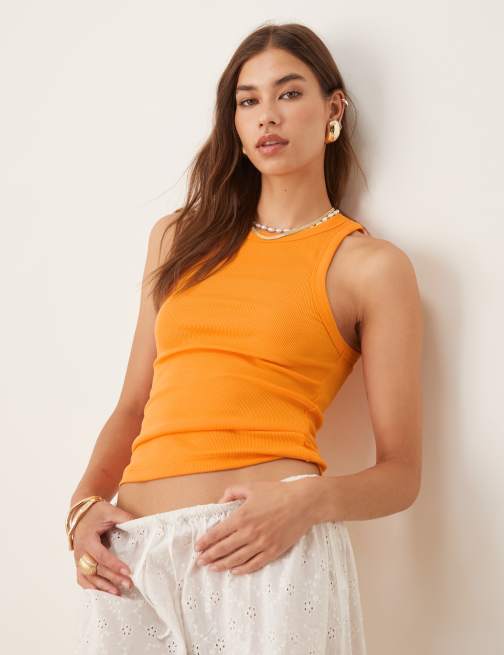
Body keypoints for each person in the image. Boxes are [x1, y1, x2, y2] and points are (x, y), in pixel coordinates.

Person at [68, 21, 423, 655]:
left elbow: (402, 473)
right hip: (134, 560)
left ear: (333, 109)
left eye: (289, 93)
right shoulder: (177, 240)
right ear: (232, 119)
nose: (268, 116)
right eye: (248, 99)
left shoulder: (368, 266)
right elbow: (133, 404)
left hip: (268, 553)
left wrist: (305, 504)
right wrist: (82, 507)